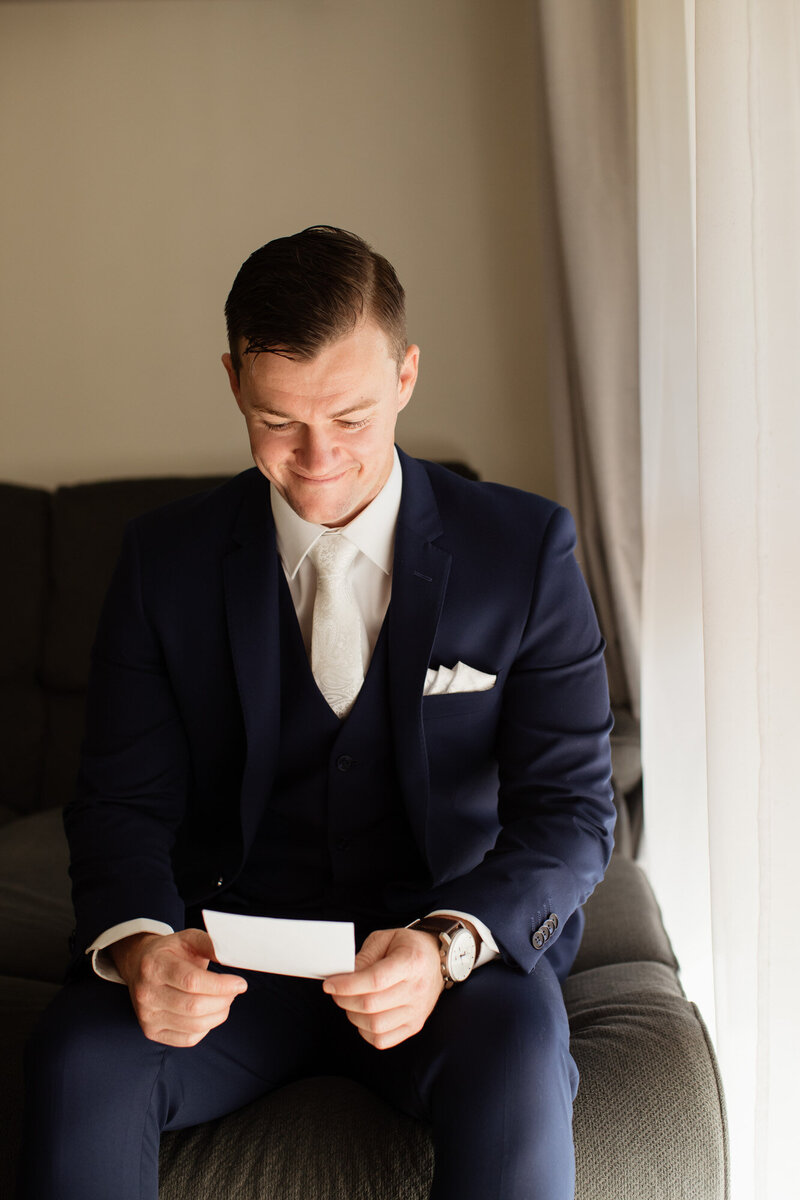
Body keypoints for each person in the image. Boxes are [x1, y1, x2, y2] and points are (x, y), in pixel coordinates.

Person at [23, 226, 615, 1200]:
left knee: (517, 1049)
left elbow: (571, 814)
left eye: (348, 416)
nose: (316, 458)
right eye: (276, 421)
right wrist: (140, 947)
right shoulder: (159, 563)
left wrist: (447, 943)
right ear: (231, 381)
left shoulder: (524, 551)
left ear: (405, 374)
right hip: (226, 960)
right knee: (79, 1059)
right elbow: (121, 803)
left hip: (442, 961)